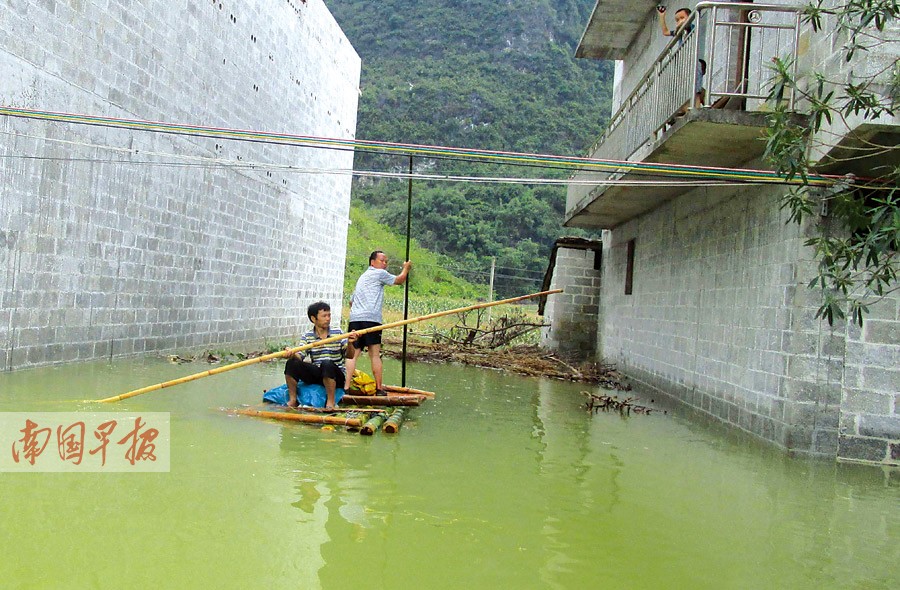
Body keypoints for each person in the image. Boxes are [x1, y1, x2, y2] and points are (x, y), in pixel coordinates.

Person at [344, 251, 411, 395]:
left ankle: (346, 387)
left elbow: (351, 301)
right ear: (372, 262)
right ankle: (379, 389)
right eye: (382, 261)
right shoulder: (379, 274)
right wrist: (406, 268)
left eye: (386, 261)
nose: (385, 264)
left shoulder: (362, 277)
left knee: (353, 354)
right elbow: (399, 280)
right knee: (374, 354)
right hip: (371, 320)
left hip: (355, 319)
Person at [283, 301, 357, 410]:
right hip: (319, 374)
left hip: (336, 376)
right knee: (291, 363)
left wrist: (351, 343)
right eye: (324, 316)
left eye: (329, 315)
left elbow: (350, 356)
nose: (328, 318)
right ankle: (293, 400)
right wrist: (292, 354)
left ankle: (330, 402)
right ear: (314, 319)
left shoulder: (338, 332)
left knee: (326, 364)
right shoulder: (308, 336)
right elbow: (300, 355)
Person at [657, 5, 706, 111]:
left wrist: (681, 26)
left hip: (693, 60)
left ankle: (696, 106)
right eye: (677, 20)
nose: (679, 21)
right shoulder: (680, 33)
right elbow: (665, 32)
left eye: (682, 18)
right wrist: (662, 16)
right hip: (685, 62)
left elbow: (685, 25)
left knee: (695, 85)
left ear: (689, 18)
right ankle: (697, 101)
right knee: (686, 85)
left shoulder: (691, 27)